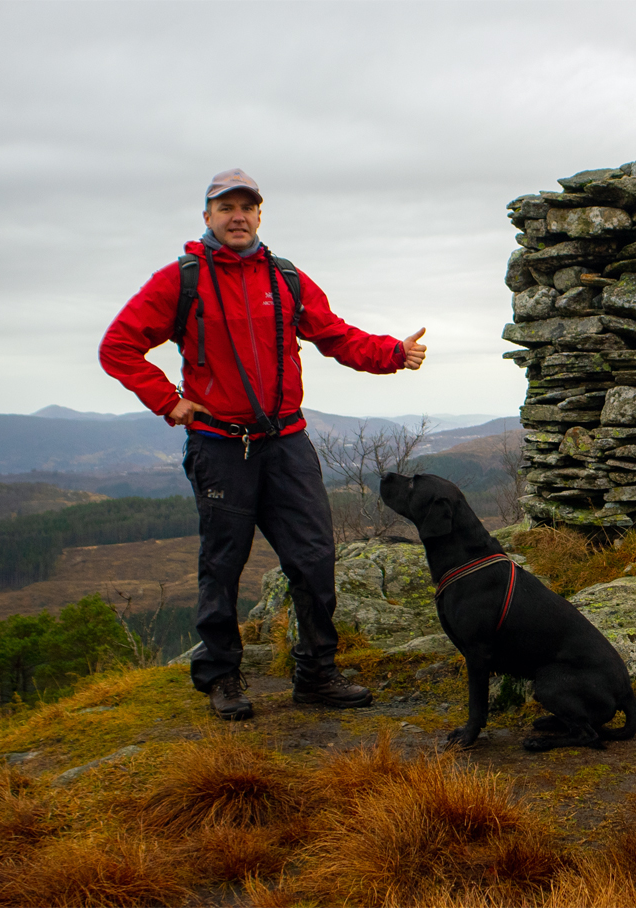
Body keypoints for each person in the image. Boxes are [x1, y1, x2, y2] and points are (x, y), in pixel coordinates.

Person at [100, 168, 427, 720]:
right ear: (207, 217)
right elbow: (119, 346)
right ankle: (222, 678)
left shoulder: (285, 279)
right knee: (223, 565)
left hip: (286, 442)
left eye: (246, 207)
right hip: (219, 445)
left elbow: (335, 335)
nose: (237, 216)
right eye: (225, 207)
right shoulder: (182, 280)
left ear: (258, 214)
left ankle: (317, 673)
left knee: (315, 559)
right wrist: (167, 399)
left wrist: (392, 352)